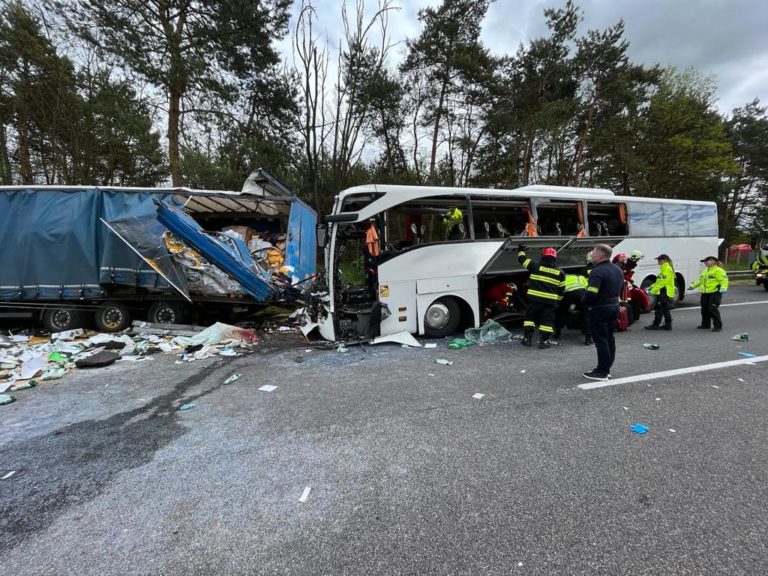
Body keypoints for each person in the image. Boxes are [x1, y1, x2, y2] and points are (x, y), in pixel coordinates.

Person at [582, 243, 625, 381]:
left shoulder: (597, 271)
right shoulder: (617, 269)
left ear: (600, 255)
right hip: (614, 307)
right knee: (609, 338)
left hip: (600, 308)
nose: (591, 254)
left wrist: (584, 301)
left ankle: (602, 372)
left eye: (593, 252)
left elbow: (592, 293)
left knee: (601, 340)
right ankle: (607, 368)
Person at [517, 245, 565, 349]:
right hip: (550, 301)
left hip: (535, 299)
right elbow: (561, 291)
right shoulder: (560, 273)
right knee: (547, 321)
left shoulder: (535, 266)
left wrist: (521, 250)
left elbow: (522, 260)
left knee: (530, 318)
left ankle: (527, 340)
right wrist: (558, 302)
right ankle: (544, 341)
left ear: (543, 256)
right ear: (555, 258)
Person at [689, 256, 729, 332]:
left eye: (707, 261)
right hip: (705, 293)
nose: (705, 262)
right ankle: (705, 324)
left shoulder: (719, 270)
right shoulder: (705, 271)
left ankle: (718, 326)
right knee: (704, 309)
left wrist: (723, 288)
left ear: (714, 261)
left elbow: (724, 280)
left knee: (712, 308)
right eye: (705, 261)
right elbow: (700, 281)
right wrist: (692, 287)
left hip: (715, 292)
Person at [555, 270, 592, 345]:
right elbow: (587, 287)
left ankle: (557, 332)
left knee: (562, 312)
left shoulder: (564, 277)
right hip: (581, 295)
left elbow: (560, 289)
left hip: (568, 295)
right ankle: (588, 339)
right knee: (585, 315)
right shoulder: (581, 277)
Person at [645, 254, 675, 331]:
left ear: (664, 260)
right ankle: (666, 325)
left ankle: (657, 325)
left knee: (661, 309)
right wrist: (651, 287)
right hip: (663, 291)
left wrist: (652, 291)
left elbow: (663, 283)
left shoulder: (667, 269)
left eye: (659, 260)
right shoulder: (664, 269)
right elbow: (658, 282)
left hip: (664, 291)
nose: (658, 261)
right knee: (663, 309)